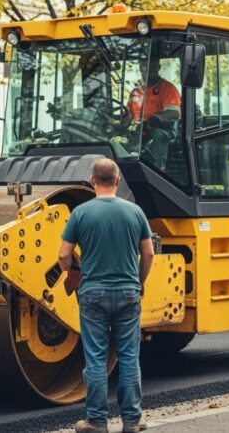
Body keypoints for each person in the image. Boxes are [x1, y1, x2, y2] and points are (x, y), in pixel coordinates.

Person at [59, 158, 155, 433]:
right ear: (116, 181)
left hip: (93, 294)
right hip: (127, 293)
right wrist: (139, 281)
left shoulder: (80, 213)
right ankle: (132, 420)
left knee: (96, 359)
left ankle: (96, 421)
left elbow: (64, 255)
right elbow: (148, 253)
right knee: (128, 357)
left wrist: (73, 272)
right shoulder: (135, 211)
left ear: (92, 181)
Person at [126, 58, 181, 169]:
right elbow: (128, 115)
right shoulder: (135, 92)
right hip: (139, 129)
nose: (148, 69)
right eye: (144, 65)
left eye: (153, 66)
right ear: (140, 68)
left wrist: (154, 119)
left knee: (158, 135)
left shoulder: (167, 88)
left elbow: (173, 112)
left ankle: (157, 169)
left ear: (158, 67)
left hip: (164, 128)